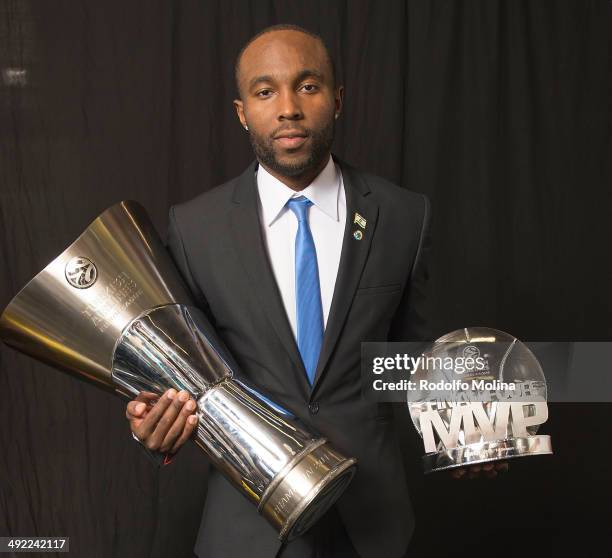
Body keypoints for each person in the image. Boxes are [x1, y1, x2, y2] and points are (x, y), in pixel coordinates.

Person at [125, 23, 506, 558]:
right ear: (241, 112)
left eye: (307, 86)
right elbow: (184, 369)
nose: (288, 109)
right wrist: (153, 419)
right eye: (265, 91)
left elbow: (412, 357)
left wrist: (468, 420)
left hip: (371, 524)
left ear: (337, 99)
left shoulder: (402, 215)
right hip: (249, 525)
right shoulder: (195, 227)